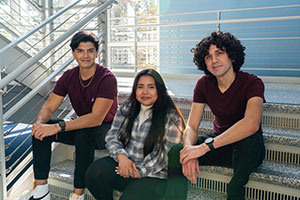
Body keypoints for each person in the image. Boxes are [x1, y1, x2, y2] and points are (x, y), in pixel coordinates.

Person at [20, 31, 118, 200]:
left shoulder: (107, 78)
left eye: (90, 51)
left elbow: (96, 118)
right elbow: (49, 106)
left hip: (108, 130)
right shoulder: (68, 76)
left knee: (82, 131)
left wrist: (57, 127)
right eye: (80, 51)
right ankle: (42, 191)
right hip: (83, 126)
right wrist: (39, 124)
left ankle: (78, 194)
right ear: (74, 54)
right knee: (42, 130)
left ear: (96, 52)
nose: (85, 55)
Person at [170, 31, 266, 200]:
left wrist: (204, 148)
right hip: (220, 145)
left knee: (248, 139)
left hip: (248, 148)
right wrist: (189, 150)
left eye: (219, 53)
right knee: (176, 152)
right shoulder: (204, 84)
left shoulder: (252, 83)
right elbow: (192, 126)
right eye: (208, 56)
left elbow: (251, 124)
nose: (213, 60)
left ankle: (235, 190)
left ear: (232, 57)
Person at [85, 69, 185, 200]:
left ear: (159, 90)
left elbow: (165, 155)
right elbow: (112, 137)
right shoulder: (126, 108)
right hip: (125, 166)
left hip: (153, 174)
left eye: (151, 87)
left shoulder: (171, 117)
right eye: (140, 87)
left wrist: (138, 171)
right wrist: (121, 157)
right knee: (94, 174)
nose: (145, 92)